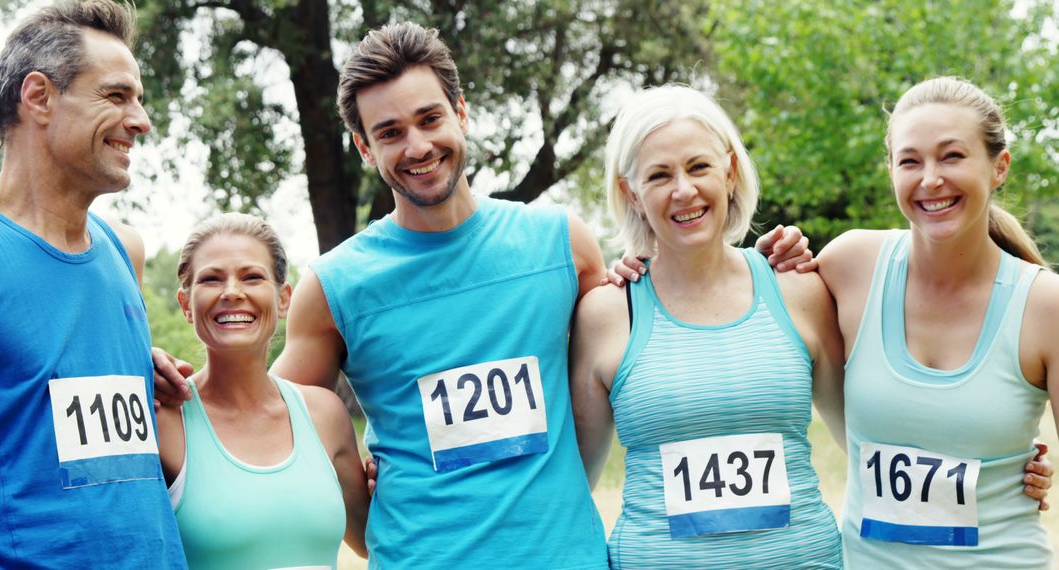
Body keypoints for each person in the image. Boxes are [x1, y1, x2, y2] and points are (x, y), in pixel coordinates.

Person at [151, 21, 813, 569]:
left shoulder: (563, 244)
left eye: (429, 118)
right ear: (362, 146)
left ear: (461, 114)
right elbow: (266, 421)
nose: (417, 145)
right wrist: (162, 387)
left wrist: (759, 261)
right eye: (388, 133)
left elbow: (666, 326)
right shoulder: (337, 282)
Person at [571, 85, 845, 569]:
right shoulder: (605, 313)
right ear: (630, 193)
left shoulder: (800, 291)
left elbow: (872, 439)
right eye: (659, 175)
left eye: (698, 167)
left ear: (730, 172)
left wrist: (1012, 456)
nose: (684, 190)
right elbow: (570, 483)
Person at [818, 77, 1059, 568]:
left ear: (999, 167)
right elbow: (748, 319)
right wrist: (631, 279)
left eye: (951, 156)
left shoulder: (1045, 305)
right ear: (891, 171)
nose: (930, 179)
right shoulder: (847, 266)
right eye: (910, 161)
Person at [0, 1, 186, 567]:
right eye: (117, 96)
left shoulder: (126, 249)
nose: (141, 120)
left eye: (139, 100)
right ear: (39, 97)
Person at [156, 213, 369, 568]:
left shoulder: (325, 415)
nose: (232, 293)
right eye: (211, 279)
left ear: (284, 298)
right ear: (185, 305)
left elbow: (370, 538)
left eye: (252, 277)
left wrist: (394, 479)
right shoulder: (162, 419)